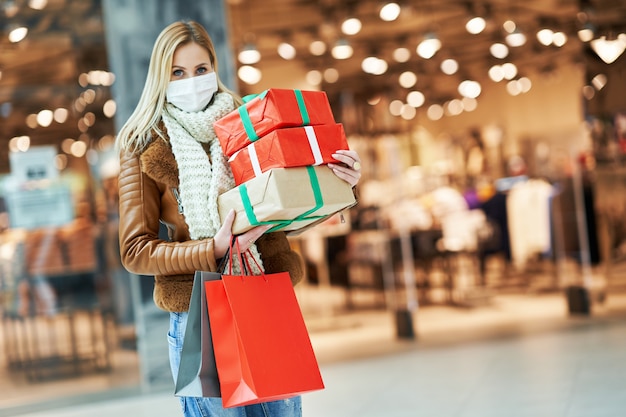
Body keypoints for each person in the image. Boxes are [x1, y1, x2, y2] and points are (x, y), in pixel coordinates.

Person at [115, 20, 362, 417]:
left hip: (264, 298)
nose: (191, 81)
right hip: (199, 311)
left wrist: (341, 184)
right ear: (160, 76)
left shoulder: (251, 121)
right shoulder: (143, 141)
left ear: (215, 68)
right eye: (177, 72)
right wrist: (211, 249)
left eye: (200, 70)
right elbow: (134, 250)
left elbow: (288, 209)